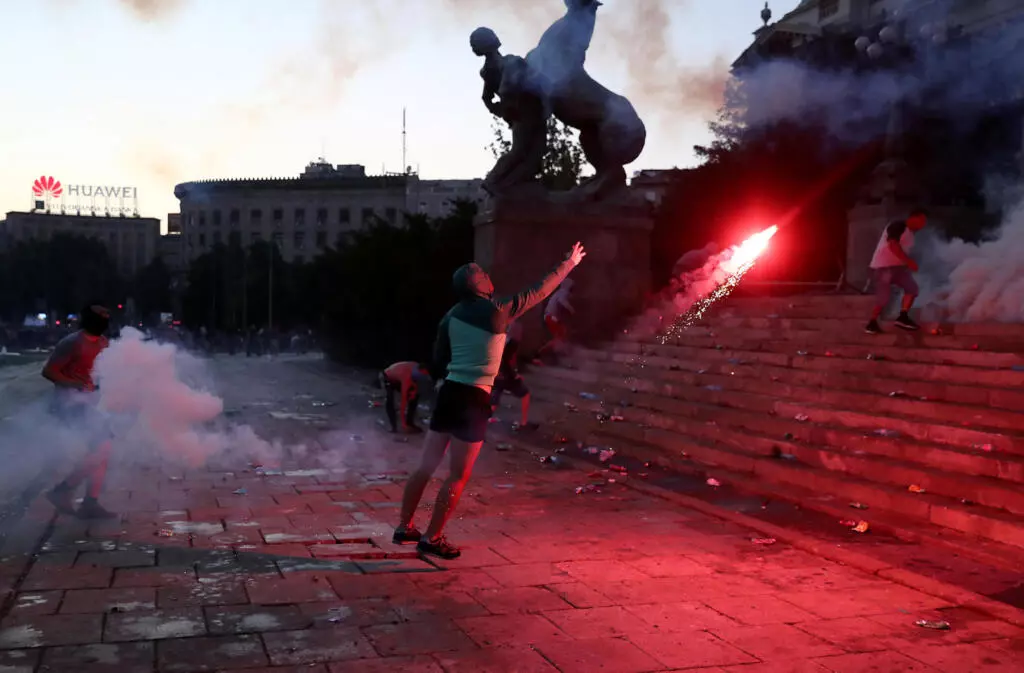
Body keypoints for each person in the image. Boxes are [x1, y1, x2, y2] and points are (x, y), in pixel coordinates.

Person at [395, 242, 587, 559]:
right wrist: (568, 264)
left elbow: (438, 359)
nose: (487, 274)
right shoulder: (499, 310)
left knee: (426, 465)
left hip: (449, 392)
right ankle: (433, 536)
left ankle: (404, 527)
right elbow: (538, 292)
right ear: (477, 285)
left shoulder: (450, 317)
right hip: (474, 398)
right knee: (457, 475)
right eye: (482, 273)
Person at [44, 303, 117, 519]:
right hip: (68, 404)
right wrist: (74, 384)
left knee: (102, 451)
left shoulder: (104, 343)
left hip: (90, 404)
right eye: (100, 316)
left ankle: (90, 503)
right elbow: (49, 371)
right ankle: (63, 490)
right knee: (102, 447)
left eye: (107, 316)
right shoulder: (72, 343)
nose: (104, 320)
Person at [865, 209, 928, 334]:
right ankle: (871, 322)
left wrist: (906, 264)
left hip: (897, 268)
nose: (923, 224)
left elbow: (903, 250)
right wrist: (908, 261)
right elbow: (893, 245)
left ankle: (903, 317)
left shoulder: (911, 234)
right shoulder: (898, 226)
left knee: (912, 289)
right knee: (884, 297)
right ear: (914, 218)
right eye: (922, 221)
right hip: (883, 266)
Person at [491, 320, 537, 431]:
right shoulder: (512, 343)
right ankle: (523, 423)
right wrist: (514, 375)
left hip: (496, 372)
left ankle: (479, 422)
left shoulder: (503, 338)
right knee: (525, 393)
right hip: (504, 374)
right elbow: (505, 360)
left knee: (494, 400)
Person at [379, 361, 432, 434]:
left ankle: (410, 422)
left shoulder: (418, 369)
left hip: (398, 377)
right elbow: (403, 403)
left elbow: (418, 387)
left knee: (414, 397)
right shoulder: (406, 376)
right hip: (387, 377)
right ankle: (393, 426)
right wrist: (404, 425)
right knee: (390, 400)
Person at [536, 278, 575, 359]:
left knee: (561, 333)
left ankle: (546, 352)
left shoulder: (559, 293)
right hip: (551, 317)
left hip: (550, 316)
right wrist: (571, 309)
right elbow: (562, 301)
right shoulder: (563, 293)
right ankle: (541, 353)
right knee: (560, 335)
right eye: (572, 287)